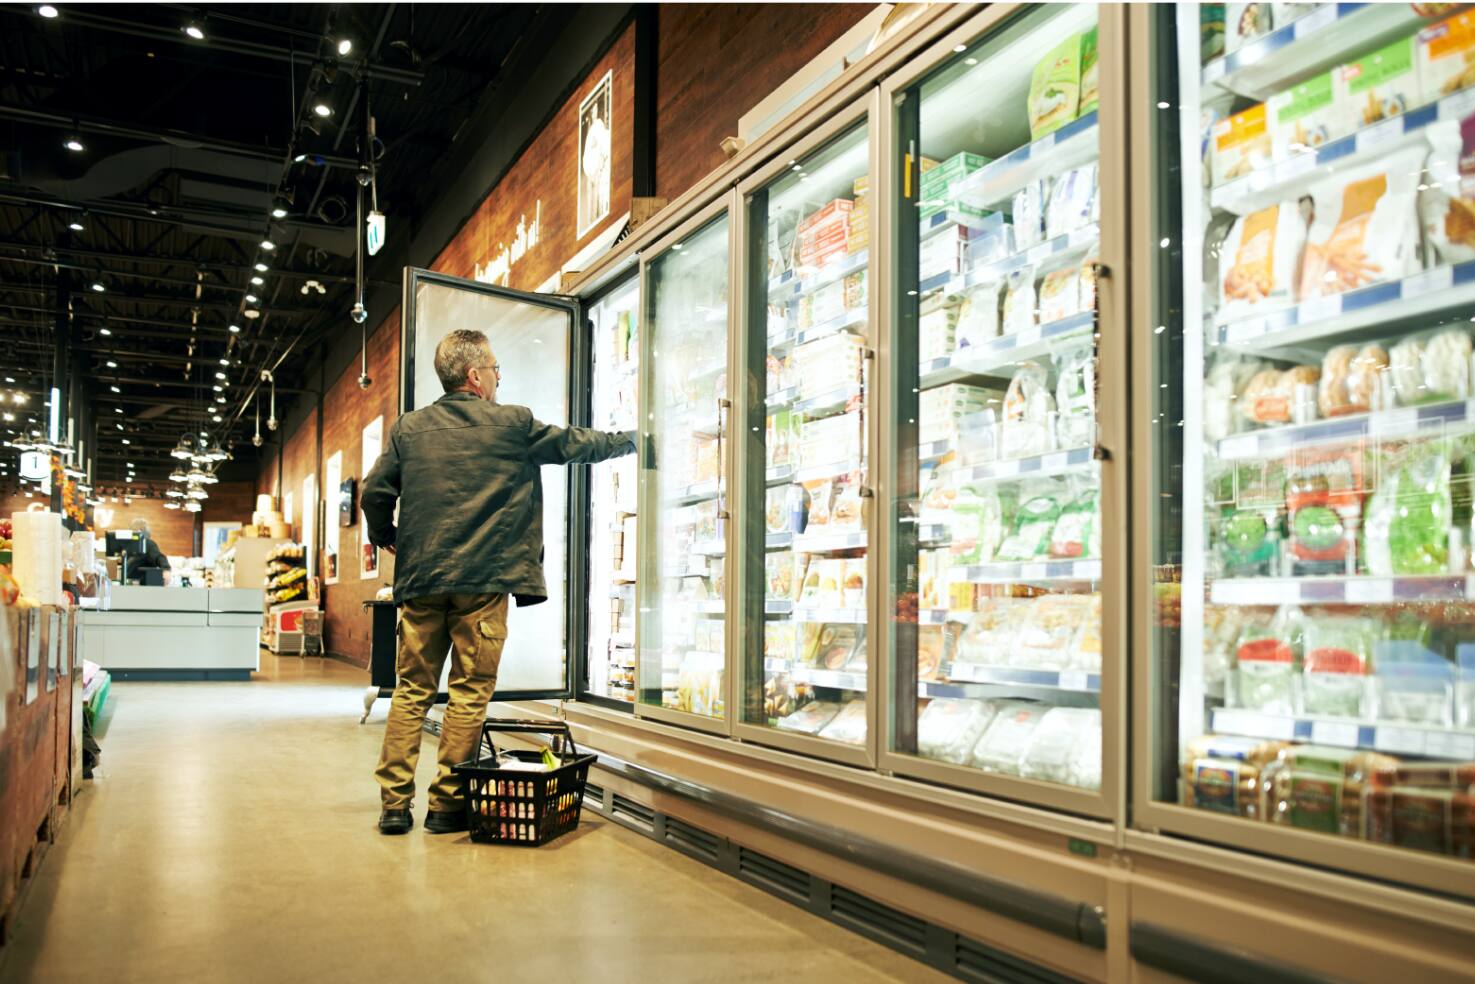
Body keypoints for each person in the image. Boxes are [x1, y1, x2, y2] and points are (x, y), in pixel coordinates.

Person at [361, 328, 635, 835]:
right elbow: (576, 445)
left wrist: (387, 536)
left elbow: (374, 493)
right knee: (469, 692)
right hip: (483, 584)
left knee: (411, 690)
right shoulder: (513, 424)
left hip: (422, 581)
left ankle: (394, 806)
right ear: (475, 375)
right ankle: (446, 806)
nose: (498, 377)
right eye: (494, 369)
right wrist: (633, 441)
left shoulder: (408, 429)